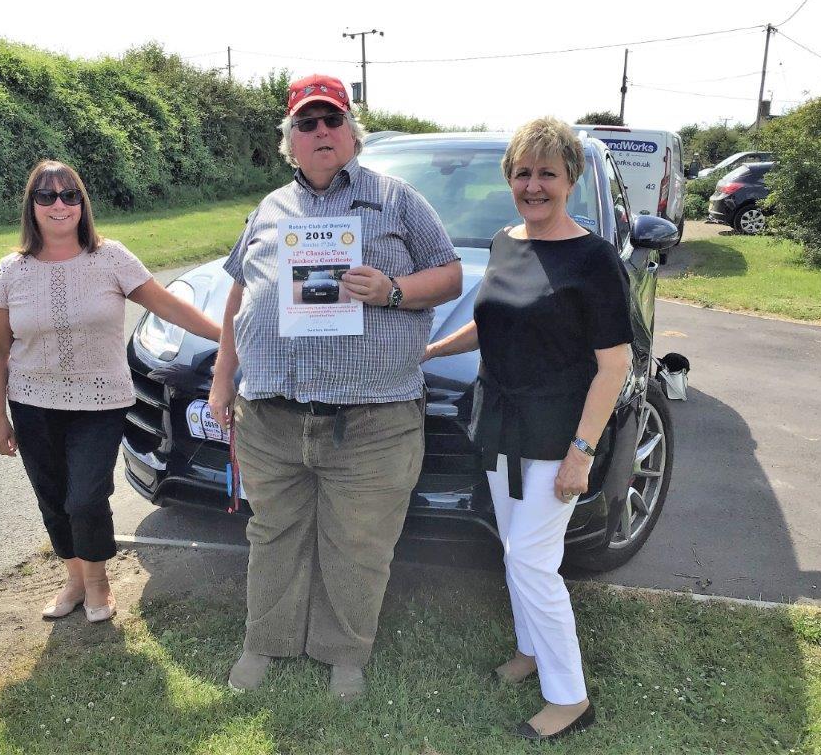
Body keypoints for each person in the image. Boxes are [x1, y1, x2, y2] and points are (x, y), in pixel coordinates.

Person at [208, 74, 462, 699]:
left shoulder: (397, 199)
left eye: (332, 121)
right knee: (273, 535)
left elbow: (452, 275)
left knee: (359, 543)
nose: (320, 132)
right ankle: (266, 643)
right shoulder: (269, 209)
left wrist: (394, 291)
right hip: (272, 415)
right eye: (306, 123)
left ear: (352, 133)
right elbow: (241, 293)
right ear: (289, 141)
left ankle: (344, 652)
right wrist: (222, 380)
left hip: (373, 420)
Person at [423, 117, 632, 740]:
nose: (533, 184)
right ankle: (530, 649)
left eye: (547, 172)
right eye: (522, 172)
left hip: (555, 432)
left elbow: (613, 364)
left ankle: (570, 698)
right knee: (514, 547)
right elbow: (493, 322)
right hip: (502, 425)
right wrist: (432, 351)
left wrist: (580, 453)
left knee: (532, 559)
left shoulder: (593, 259)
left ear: (570, 178)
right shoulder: (506, 241)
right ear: (509, 180)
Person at [0, 159, 220, 623]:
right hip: (31, 405)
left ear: (82, 204)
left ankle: (98, 582)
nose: (59, 205)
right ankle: (74, 578)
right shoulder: (11, 271)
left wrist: (225, 336)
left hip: (99, 403)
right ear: (31, 206)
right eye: (46, 196)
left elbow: (167, 305)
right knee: (51, 496)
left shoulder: (110, 258)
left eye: (69, 195)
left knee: (85, 496)